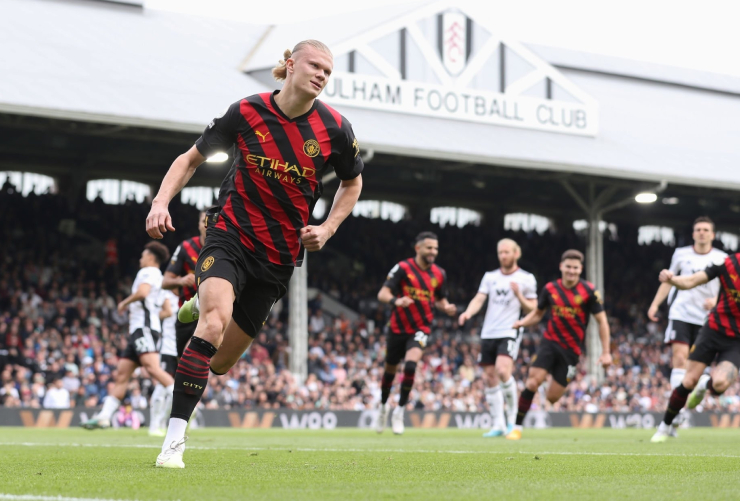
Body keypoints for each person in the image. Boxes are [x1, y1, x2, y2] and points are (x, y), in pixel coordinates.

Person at [145, 39, 363, 468]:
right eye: (315, 66)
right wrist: (160, 202)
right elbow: (190, 159)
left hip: (278, 257)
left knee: (222, 362)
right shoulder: (246, 111)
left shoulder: (336, 128)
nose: (322, 75)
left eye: (328, 72)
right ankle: (173, 442)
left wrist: (328, 226)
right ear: (289, 65)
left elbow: (353, 183)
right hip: (230, 236)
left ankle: (196, 301)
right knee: (212, 323)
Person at [505, 249, 611, 440]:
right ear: (561, 267)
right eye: (568, 267)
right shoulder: (550, 289)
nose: (571, 271)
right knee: (531, 382)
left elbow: (602, 321)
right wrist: (522, 322)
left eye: (575, 268)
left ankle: (549, 377)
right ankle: (516, 428)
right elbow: (538, 314)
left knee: (553, 397)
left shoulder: (589, 291)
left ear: (581, 269)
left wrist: (606, 352)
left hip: (571, 350)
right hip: (549, 342)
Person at [81, 242, 174, 430]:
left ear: (150, 258)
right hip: (141, 330)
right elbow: (168, 310)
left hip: (143, 329)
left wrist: (124, 302)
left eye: (143, 255)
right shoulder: (161, 278)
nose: (141, 259)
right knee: (122, 375)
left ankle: (185, 401)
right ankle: (104, 417)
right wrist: (153, 317)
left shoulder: (147, 272)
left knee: (153, 369)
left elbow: (142, 292)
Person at [647, 216, 726, 435]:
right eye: (698, 229)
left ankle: (686, 399)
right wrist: (655, 304)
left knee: (695, 368)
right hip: (681, 313)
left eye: (705, 229)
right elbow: (669, 280)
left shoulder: (722, 258)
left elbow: (728, 288)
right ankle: (676, 415)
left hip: (707, 318)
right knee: (679, 360)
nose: (701, 232)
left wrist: (716, 302)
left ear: (712, 234)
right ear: (693, 233)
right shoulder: (681, 254)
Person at [651, 252, 740, 442]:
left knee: (720, 384)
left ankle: (705, 384)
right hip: (714, 330)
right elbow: (691, 280)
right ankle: (665, 425)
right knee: (688, 380)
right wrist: (672, 279)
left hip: (737, 340)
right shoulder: (727, 263)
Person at [375, 231, 457, 435]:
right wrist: (397, 301)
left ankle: (399, 411)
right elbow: (383, 293)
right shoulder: (403, 268)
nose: (433, 252)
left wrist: (445, 306)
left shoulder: (439, 274)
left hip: (421, 327)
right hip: (397, 327)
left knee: (411, 365)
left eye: (436, 248)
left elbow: (439, 298)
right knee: (389, 371)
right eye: (429, 247)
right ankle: (383, 407)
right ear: (418, 248)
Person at [458, 239, 537, 437]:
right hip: (489, 332)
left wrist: (519, 296)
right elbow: (479, 298)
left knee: (503, 371)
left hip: (510, 330)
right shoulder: (490, 277)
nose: (503, 255)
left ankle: (513, 421)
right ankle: (498, 424)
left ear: (516, 253)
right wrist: (468, 313)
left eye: (507, 252)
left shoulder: (526, 279)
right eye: (500, 252)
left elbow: (533, 308)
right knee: (490, 377)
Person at [162, 212, 206, 359]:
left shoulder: (225, 249)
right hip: (186, 314)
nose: (207, 224)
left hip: (211, 314)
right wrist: (180, 281)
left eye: (211, 221)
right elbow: (165, 282)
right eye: (203, 221)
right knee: (180, 359)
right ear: (198, 224)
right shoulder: (186, 247)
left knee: (196, 358)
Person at [149, 288, 178, 437]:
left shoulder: (188, 295)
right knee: (163, 386)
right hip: (167, 348)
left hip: (180, 349)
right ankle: (154, 424)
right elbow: (166, 312)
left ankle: (162, 422)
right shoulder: (166, 294)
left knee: (173, 389)